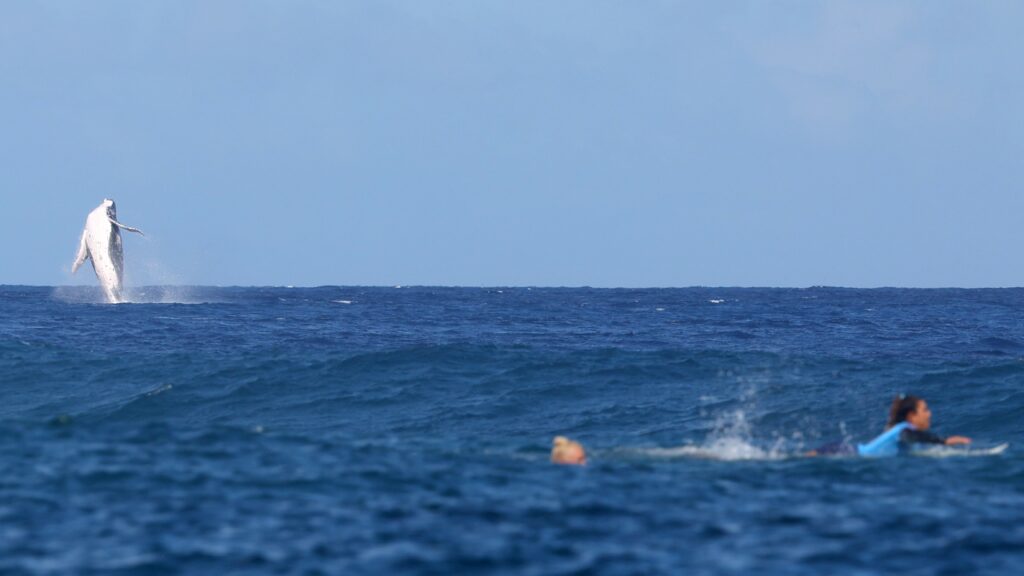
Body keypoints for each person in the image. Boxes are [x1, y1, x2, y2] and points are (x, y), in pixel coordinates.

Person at [856, 394, 971, 456]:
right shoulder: (904, 429)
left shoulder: (902, 428)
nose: (929, 414)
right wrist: (943, 441)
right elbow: (910, 436)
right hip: (849, 452)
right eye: (925, 410)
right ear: (912, 415)